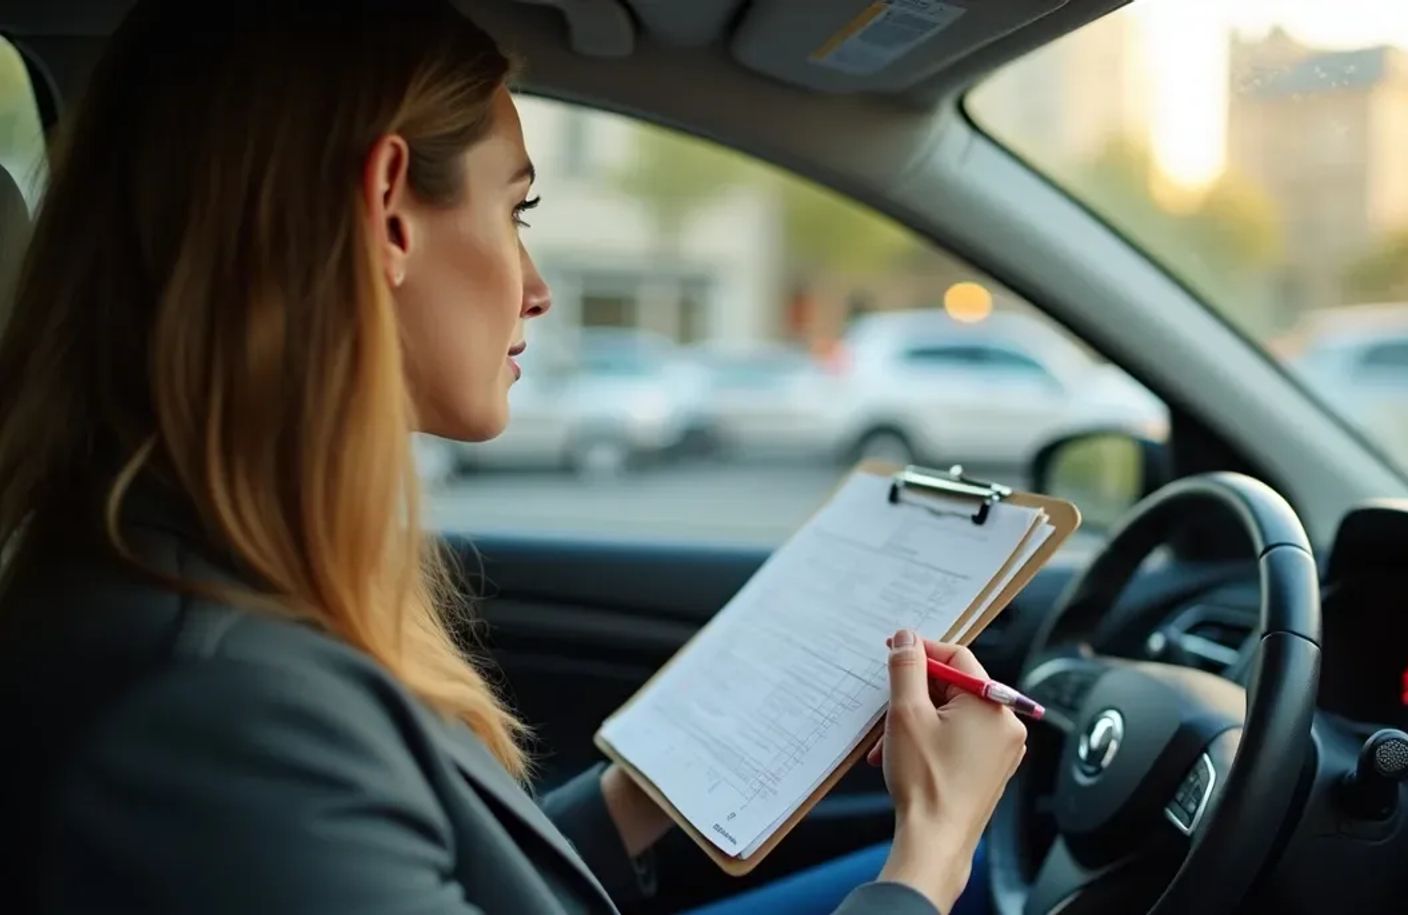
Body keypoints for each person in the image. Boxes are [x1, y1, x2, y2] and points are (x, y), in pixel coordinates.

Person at [0, 2, 1027, 913]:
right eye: (515, 210)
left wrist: (669, 777)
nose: (536, 288)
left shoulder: (194, 580)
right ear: (389, 210)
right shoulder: (212, 714)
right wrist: (927, 859)